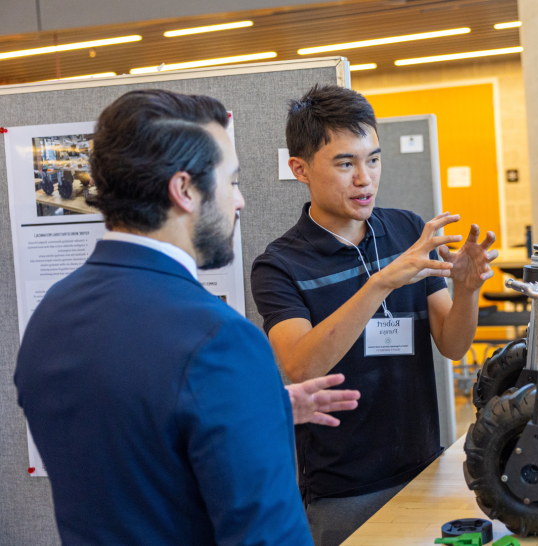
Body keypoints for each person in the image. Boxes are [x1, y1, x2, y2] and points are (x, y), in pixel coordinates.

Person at [15, 89, 361, 545]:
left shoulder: (51, 316)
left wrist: (258, 407)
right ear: (183, 190)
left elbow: (131, 443)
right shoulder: (218, 340)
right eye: (231, 183)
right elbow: (267, 535)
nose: (239, 203)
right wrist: (240, 397)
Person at [250, 84, 498, 546]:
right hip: (342, 490)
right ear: (300, 169)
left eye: (374, 159)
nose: (365, 178)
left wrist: (466, 291)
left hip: (426, 465)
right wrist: (381, 281)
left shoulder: (405, 228)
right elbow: (299, 366)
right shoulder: (280, 263)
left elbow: (453, 344)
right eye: (346, 163)